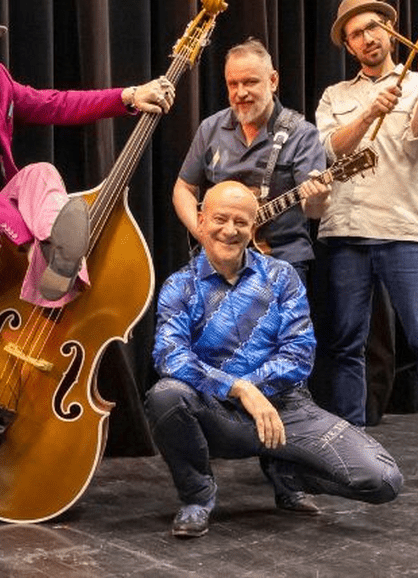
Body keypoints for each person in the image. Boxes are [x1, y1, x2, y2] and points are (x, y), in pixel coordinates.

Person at [145, 180, 403, 539]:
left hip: (285, 408)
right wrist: (238, 388)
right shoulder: (179, 286)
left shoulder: (281, 276)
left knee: (384, 479)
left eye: (241, 222)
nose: (230, 230)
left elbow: (299, 352)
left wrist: (256, 389)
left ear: (253, 228)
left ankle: (286, 473)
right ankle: (197, 497)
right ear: (201, 221)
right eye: (220, 219)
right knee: (165, 396)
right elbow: (169, 355)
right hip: (216, 412)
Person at [0, 0, 176, 333]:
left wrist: (128, 96)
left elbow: (55, 103)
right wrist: (24, 239)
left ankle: (59, 264)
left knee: (41, 172)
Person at [315, 0, 418, 492]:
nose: (367, 38)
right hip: (345, 231)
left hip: (406, 231)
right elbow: (328, 150)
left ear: (390, 29)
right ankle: (351, 454)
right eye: (356, 34)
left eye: (373, 27)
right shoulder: (334, 95)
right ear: (349, 46)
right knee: (345, 345)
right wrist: (366, 114)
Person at [173, 37, 331, 284]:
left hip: (280, 262)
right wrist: (203, 233)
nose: (240, 93)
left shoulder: (302, 134)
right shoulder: (210, 128)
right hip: (218, 261)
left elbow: (313, 210)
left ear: (273, 81)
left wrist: (318, 197)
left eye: (250, 82)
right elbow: (183, 188)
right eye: (232, 84)